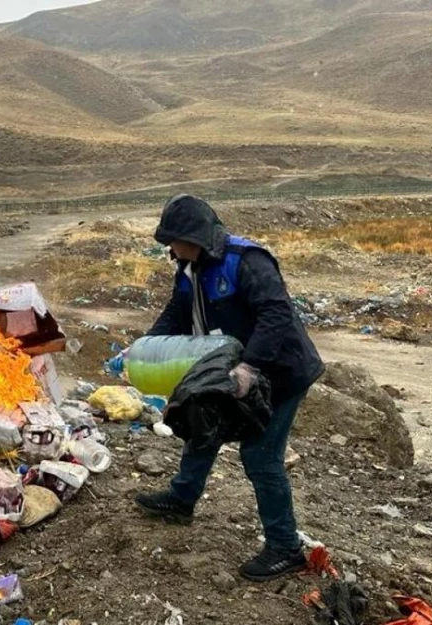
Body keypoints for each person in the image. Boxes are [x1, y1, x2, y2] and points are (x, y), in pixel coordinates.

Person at [134, 194, 325, 582]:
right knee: (201, 424)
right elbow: (176, 312)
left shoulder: (246, 261)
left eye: (172, 239)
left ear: (193, 236)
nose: (168, 248)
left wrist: (249, 367)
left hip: (281, 373)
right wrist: (144, 349)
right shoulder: (188, 266)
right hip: (230, 367)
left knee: (261, 456)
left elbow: (277, 314)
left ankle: (285, 547)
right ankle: (182, 499)